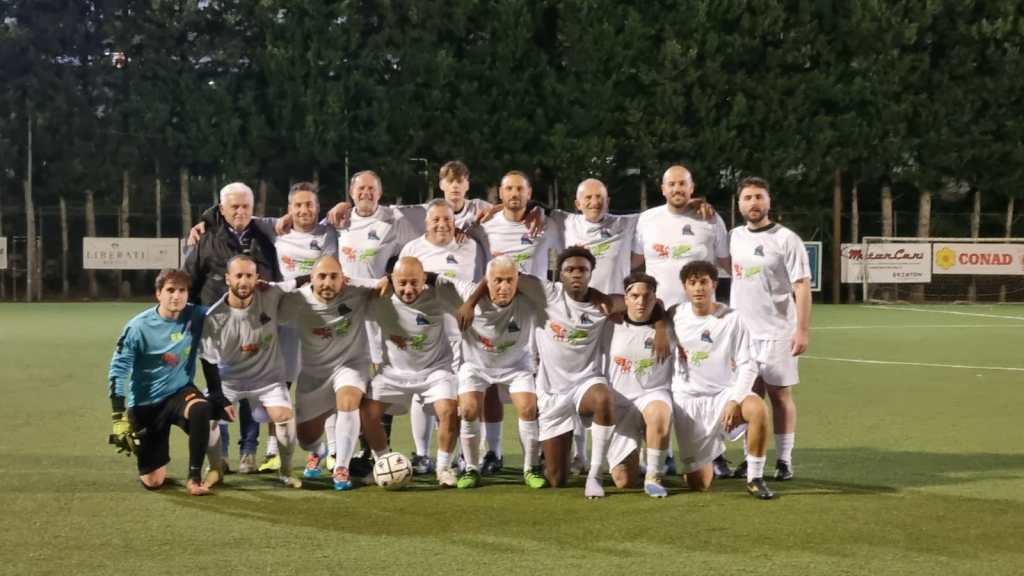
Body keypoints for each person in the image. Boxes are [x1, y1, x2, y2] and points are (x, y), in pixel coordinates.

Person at [632, 165, 731, 477]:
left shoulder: (710, 218)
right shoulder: (647, 219)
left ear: (692, 188)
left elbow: (727, 265)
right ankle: (663, 452)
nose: (677, 189)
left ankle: (715, 453)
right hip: (658, 319)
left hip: (700, 319)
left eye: (683, 184)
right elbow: (635, 266)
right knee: (658, 384)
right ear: (663, 189)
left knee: (706, 384)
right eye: (671, 184)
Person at [183, 182, 280, 474]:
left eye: (245, 207)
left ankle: (248, 450)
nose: (240, 211)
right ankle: (221, 452)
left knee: (251, 388)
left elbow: (275, 278)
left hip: (254, 326)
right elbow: (189, 280)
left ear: (253, 209)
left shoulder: (264, 240)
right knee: (219, 388)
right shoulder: (205, 238)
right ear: (222, 210)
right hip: (217, 328)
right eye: (234, 207)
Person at [107, 269, 223, 495]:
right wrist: (118, 416)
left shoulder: (197, 315)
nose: (176, 296)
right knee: (153, 482)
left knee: (203, 409)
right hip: (146, 404)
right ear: (158, 293)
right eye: (170, 290)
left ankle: (198, 476)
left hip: (180, 392)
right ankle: (155, 462)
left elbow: (227, 310)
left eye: (182, 290)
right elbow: (118, 371)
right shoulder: (137, 327)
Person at [728, 177, 811, 482]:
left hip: (777, 332)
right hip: (743, 335)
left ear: (769, 201)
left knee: (779, 395)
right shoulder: (734, 236)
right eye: (747, 198)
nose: (753, 203)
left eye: (759, 197)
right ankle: (752, 459)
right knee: (750, 398)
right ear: (739, 204)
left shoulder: (786, 239)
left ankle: (785, 460)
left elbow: (801, 286)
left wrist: (802, 330)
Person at [671, 260, 775, 499]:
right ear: (684, 287)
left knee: (757, 408)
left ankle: (755, 478)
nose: (698, 288)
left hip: (723, 395)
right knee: (699, 484)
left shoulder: (732, 318)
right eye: (692, 283)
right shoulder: (674, 315)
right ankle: (709, 453)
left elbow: (748, 364)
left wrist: (734, 400)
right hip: (688, 402)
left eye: (704, 282)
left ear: (714, 285)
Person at [279, 255, 383, 490]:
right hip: (314, 375)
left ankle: (341, 468)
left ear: (343, 278)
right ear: (311, 279)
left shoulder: (355, 291)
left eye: (334, 276)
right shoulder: (297, 300)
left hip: (350, 364)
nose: (328, 282)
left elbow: (384, 283)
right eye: (322, 276)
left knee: (348, 401)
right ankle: (318, 451)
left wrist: (353, 280)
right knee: (306, 439)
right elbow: (271, 302)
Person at [199, 255, 303, 489]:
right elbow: (208, 361)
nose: (244, 282)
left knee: (285, 418)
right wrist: (217, 396)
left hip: (268, 380)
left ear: (257, 278)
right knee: (206, 417)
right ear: (228, 279)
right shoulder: (214, 317)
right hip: (229, 381)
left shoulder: (270, 294)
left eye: (249, 276)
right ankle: (216, 469)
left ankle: (285, 471)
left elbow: (299, 282)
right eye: (238, 276)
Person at [398, 199, 486, 472]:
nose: (441, 224)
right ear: (426, 222)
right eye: (435, 219)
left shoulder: (470, 246)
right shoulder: (412, 249)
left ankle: (464, 455)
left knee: (465, 395)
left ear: (454, 221)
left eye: (447, 219)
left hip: (463, 334)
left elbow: (479, 286)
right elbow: (401, 289)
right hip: (425, 334)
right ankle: (423, 454)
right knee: (420, 394)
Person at [361, 257, 463, 487]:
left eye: (414, 283)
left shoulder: (439, 296)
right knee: (367, 412)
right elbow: (349, 286)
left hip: (434, 371)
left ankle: (443, 468)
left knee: (448, 410)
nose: (408, 289)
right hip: (393, 373)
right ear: (393, 280)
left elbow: (466, 293)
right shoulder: (379, 297)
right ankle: (383, 464)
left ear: (424, 279)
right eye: (402, 283)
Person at [447, 256, 547, 489]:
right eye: (498, 280)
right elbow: (433, 279)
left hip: (516, 365)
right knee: (469, 409)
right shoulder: (466, 292)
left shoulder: (530, 298)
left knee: (528, 408)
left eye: (510, 280)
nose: (504, 286)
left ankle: (531, 467)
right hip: (476, 365)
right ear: (487, 281)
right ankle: (471, 467)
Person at [604, 272, 674, 498]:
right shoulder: (609, 325)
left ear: (655, 299)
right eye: (634, 296)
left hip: (652, 394)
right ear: (625, 298)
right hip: (621, 404)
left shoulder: (669, 326)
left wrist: (662, 327)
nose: (641, 302)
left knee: (659, 411)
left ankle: (654, 475)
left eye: (647, 296)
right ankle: (640, 455)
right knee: (624, 481)